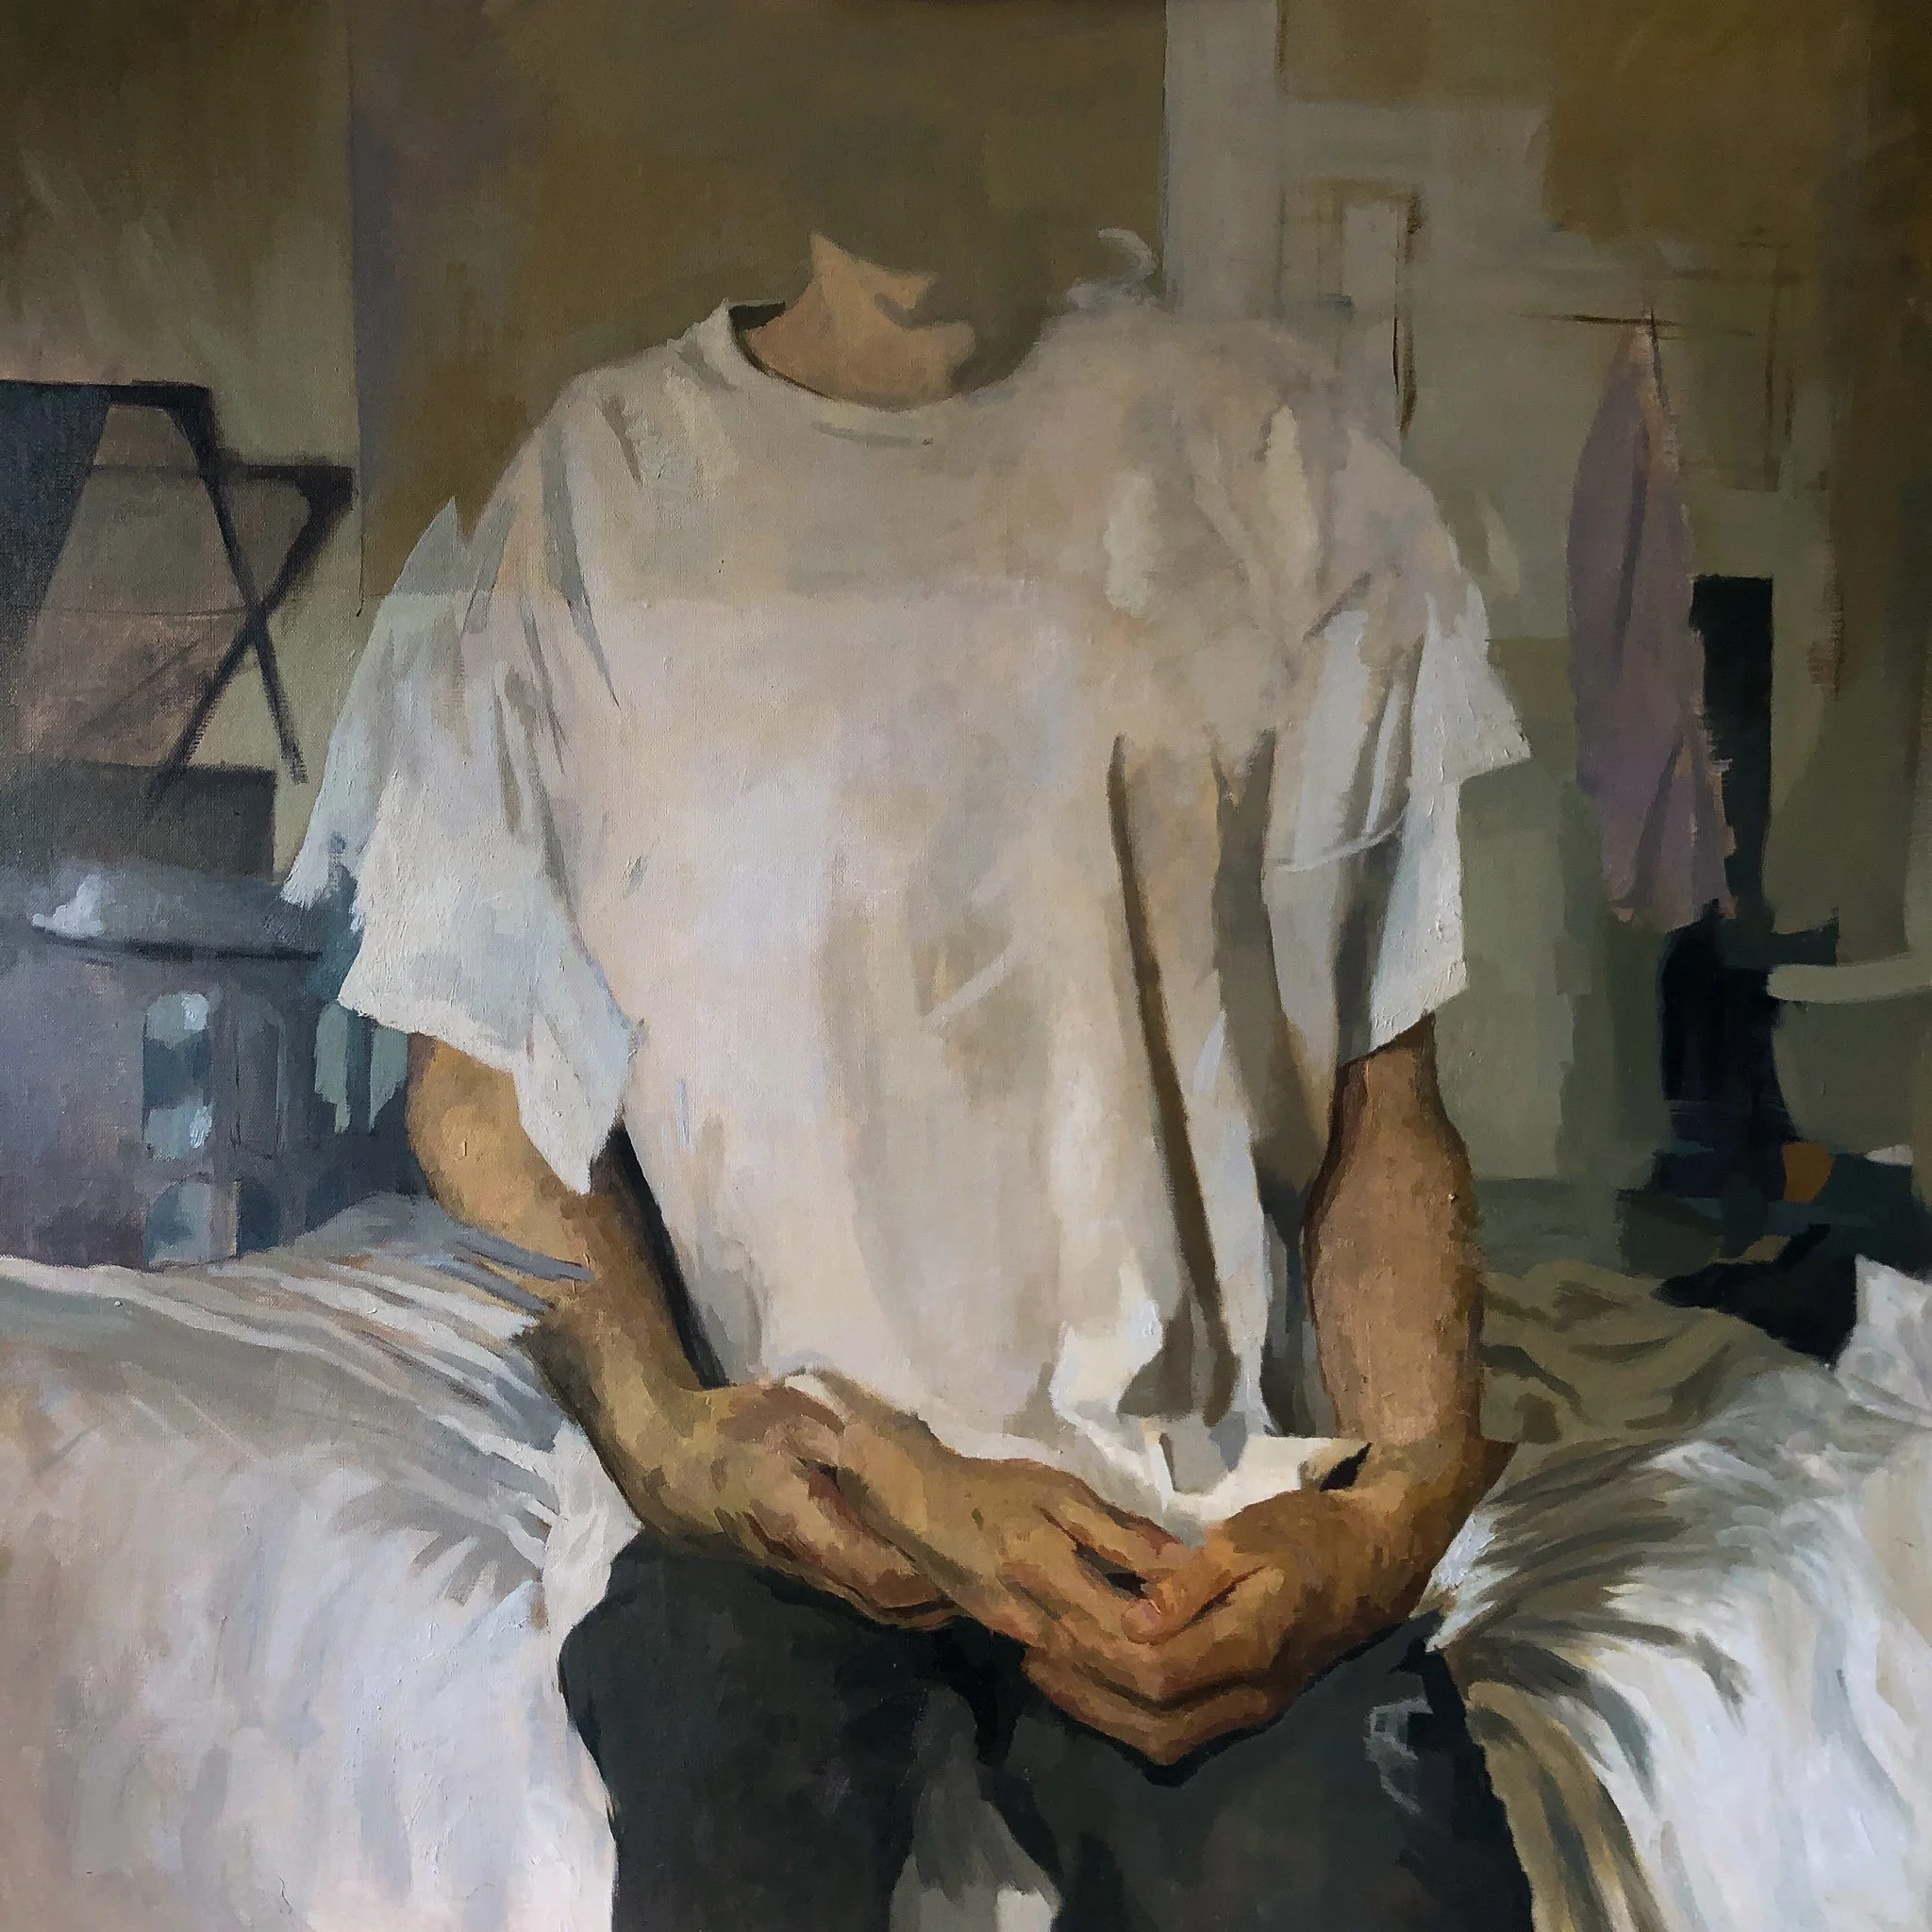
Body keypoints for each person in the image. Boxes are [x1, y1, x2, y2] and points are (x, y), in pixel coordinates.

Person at [289, 197, 1535, 1929]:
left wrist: (1385, 1515)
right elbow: (479, 1081)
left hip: (1186, 1533)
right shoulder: (601, 487)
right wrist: (670, 1439)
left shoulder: (1273, 455)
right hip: (789, 1517)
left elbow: (1381, 1097)